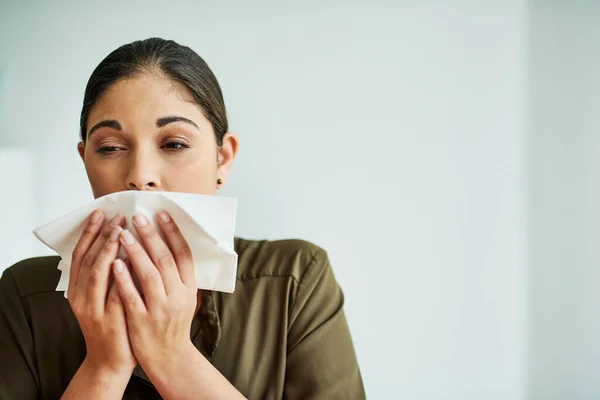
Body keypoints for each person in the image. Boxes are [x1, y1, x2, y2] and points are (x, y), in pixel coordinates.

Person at [0, 38, 364, 399]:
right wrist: (104, 367)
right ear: (85, 161)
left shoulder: (294, 280)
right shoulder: (24, 294)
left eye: (173, 143)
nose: (140, 175)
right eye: (110, 148)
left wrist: (171, 355)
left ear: (223, 159)